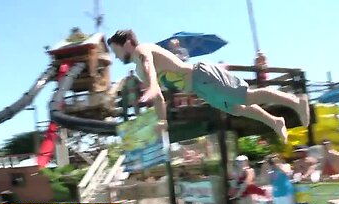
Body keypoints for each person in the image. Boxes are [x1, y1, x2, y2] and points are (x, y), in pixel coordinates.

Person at [107, 30, 310, 142]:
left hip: (202, 74)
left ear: (126, 44)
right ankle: (275, 121)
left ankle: (295, 101)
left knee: (247, 97)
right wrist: (162, 120)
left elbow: (147, 61)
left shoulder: (143, 49)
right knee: (237, 108)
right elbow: (159, 96)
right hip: (200, 88)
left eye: (115, 50)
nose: (115, 56)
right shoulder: (140, 72)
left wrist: (151, 84)